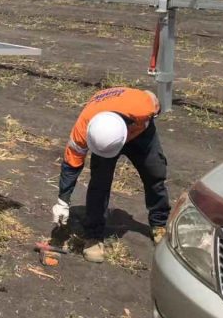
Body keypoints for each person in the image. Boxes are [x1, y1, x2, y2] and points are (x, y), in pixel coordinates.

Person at [51, 87, 170, 263]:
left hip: (141, 133)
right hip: (106, 130)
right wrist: (63, 200)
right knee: (99, 183)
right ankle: (94, 236)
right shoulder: (84, 130)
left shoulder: (144, 106)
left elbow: (153, 99)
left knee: (155, 173)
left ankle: (158, 224)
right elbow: (71, 164)